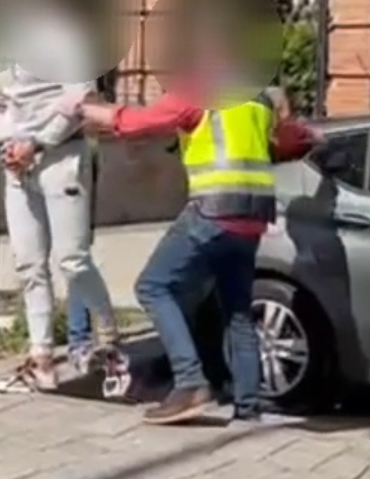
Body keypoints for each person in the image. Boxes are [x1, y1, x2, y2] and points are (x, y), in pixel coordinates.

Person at [70, 80, 318, 424]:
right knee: (238, 312)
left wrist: (81, 108)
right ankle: (247, 408)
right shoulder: (258, 99)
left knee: (153, 286)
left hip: (212, 212)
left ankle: (190, 383)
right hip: (253, 218)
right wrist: (307, 132)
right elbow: (290, 141)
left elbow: (136, 122)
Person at [0, 0, 127, 398]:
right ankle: (41, 359)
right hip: (18, 165)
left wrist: (38, 143)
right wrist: (7, 145)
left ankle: (109, 341)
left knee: (72, 259)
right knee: (29, 264)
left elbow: (80, 99)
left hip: (61, 159)